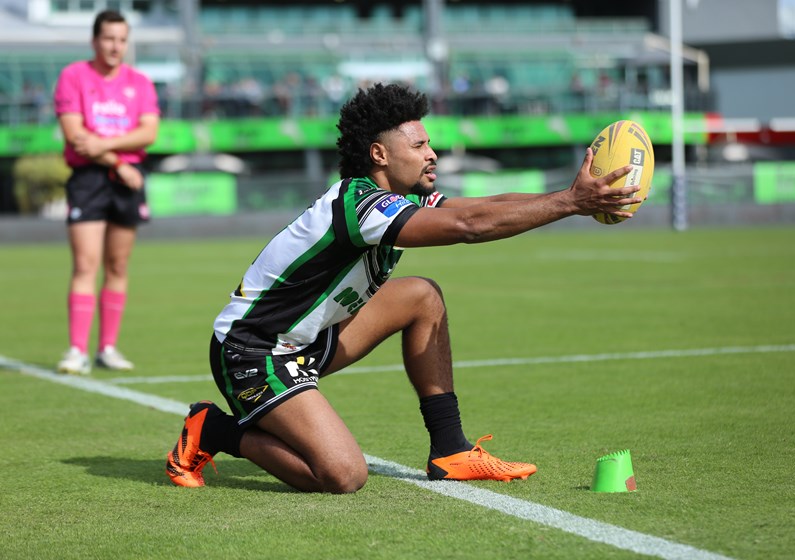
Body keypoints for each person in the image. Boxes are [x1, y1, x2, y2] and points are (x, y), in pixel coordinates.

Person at [165, 83, 641, 492]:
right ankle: (215, 431)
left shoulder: (401, 197)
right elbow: (470, 227)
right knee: (343, 476)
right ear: (380, 154)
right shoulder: (362, 203)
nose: (431, 153)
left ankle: (450, 450)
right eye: (418, 145)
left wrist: (573, 198)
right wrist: (570, 202)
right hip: (253, 351)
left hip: (308, 339)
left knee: (421, 296)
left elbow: (485, 204)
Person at [53, 11, 159, 375]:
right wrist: (118, 160)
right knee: (85, 264)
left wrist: (104, 145)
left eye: (121, 39)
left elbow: (148, 133)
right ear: (95, 40)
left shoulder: (140, 82)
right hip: (90, 179)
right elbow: (75, 136)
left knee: (117, 265)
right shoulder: (73, 76)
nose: (115, 46)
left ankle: (107, 348)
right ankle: (76, 350)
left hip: (128, 181)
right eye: (109, 38)